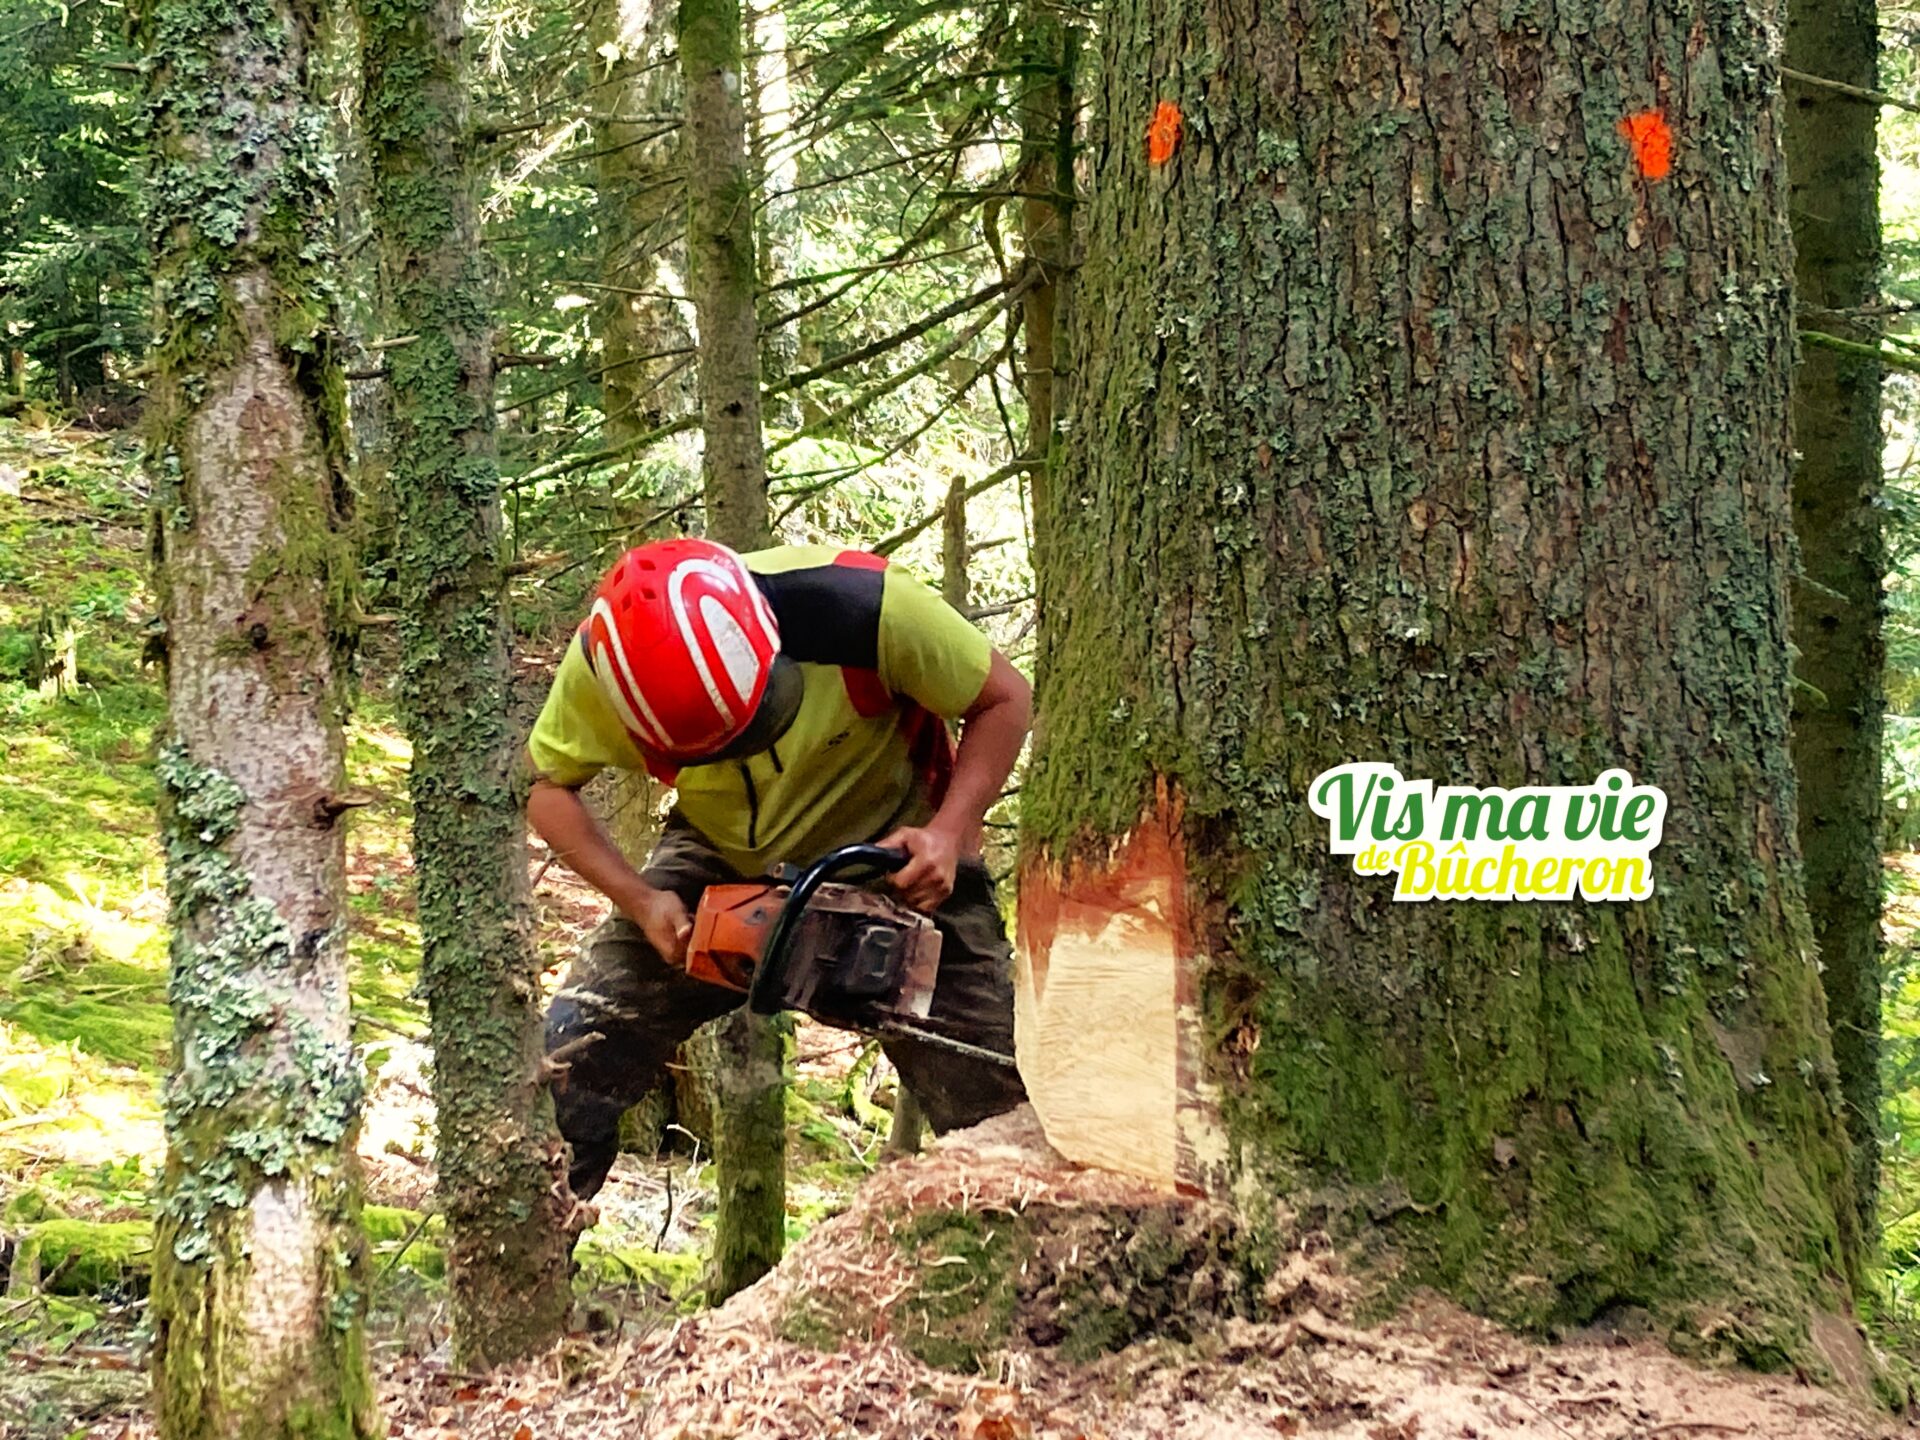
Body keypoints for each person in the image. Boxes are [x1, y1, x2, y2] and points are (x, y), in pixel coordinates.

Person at [525, 536, 1032, 1200]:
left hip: (900, 857)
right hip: (721, 852)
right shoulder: (601, 673)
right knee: (565, 1068)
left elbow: (1004, 698)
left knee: (1005, 1118)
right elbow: (544, 785)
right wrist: (641, 900)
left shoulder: (864, 607)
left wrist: (950, 830)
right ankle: (527, 1253)